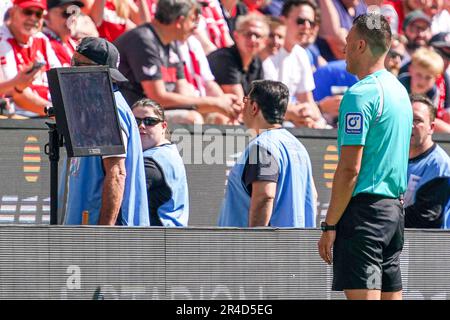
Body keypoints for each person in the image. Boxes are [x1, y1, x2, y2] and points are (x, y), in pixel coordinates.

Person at [317, 14, 413, 300]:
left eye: (347, 43)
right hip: (393, 216)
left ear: (360, 45)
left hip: (365, 219)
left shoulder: (360, 94)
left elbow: (349, 170)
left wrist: (330, 225)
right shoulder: (400, 92)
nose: (343, 50)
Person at [63, 37, 149, 226]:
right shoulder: (95, 105)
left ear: (99, 71)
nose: (70, 69)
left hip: (100, 234)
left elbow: (117, 173)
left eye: (78, 64)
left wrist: (104, 236)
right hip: (85, 229)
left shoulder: (106, 109)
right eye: (72, 62)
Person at [114, 0, 240, 124]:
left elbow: (183, 90)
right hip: (130, 114)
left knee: (221, 118)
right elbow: (158, 98)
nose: (195, 27)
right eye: (192, 20)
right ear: (180, 21)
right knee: (192, 119)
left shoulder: (171, 41)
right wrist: (214, 103)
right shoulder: (143, 41)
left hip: (155, 111)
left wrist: (221, 103)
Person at [218, 80, 317, 228]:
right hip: (295, 246)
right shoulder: (298, 147)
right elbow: (313, 196)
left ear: (254, 107)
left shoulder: (263, 147)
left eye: (246, 100)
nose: (242, 105)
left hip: (261, 249)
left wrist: (257, 242)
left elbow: (265, 196)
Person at [132, 99, 189, 227]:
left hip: (158, 241)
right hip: (169, 238)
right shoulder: (169, 152)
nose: (142, 126)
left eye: (150, 121)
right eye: (135, 121)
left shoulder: (152, 161)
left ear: (163, 127)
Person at [0, 0, 61, 117]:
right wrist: (58, 113)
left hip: (45, 114)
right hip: (20, 119)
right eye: (27, 12)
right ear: (12, 12)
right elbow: (18, 94)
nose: (33, 18)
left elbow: (60, 79)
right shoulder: (3, 41)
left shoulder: (41, 39)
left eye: (38, 14)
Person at [404, 94, 450, 229]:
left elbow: (426, 218)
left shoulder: (441, 167)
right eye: (407, 119)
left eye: (417, 120)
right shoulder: (392, 156)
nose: (411, 125)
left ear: (431, 127)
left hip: (428, 246)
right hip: (398, 242)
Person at [43, 0, 84, 67]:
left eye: (75, 13)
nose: (73, 18)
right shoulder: (42, 44)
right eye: (66, 14)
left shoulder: (73, 44)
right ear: (46, 16)